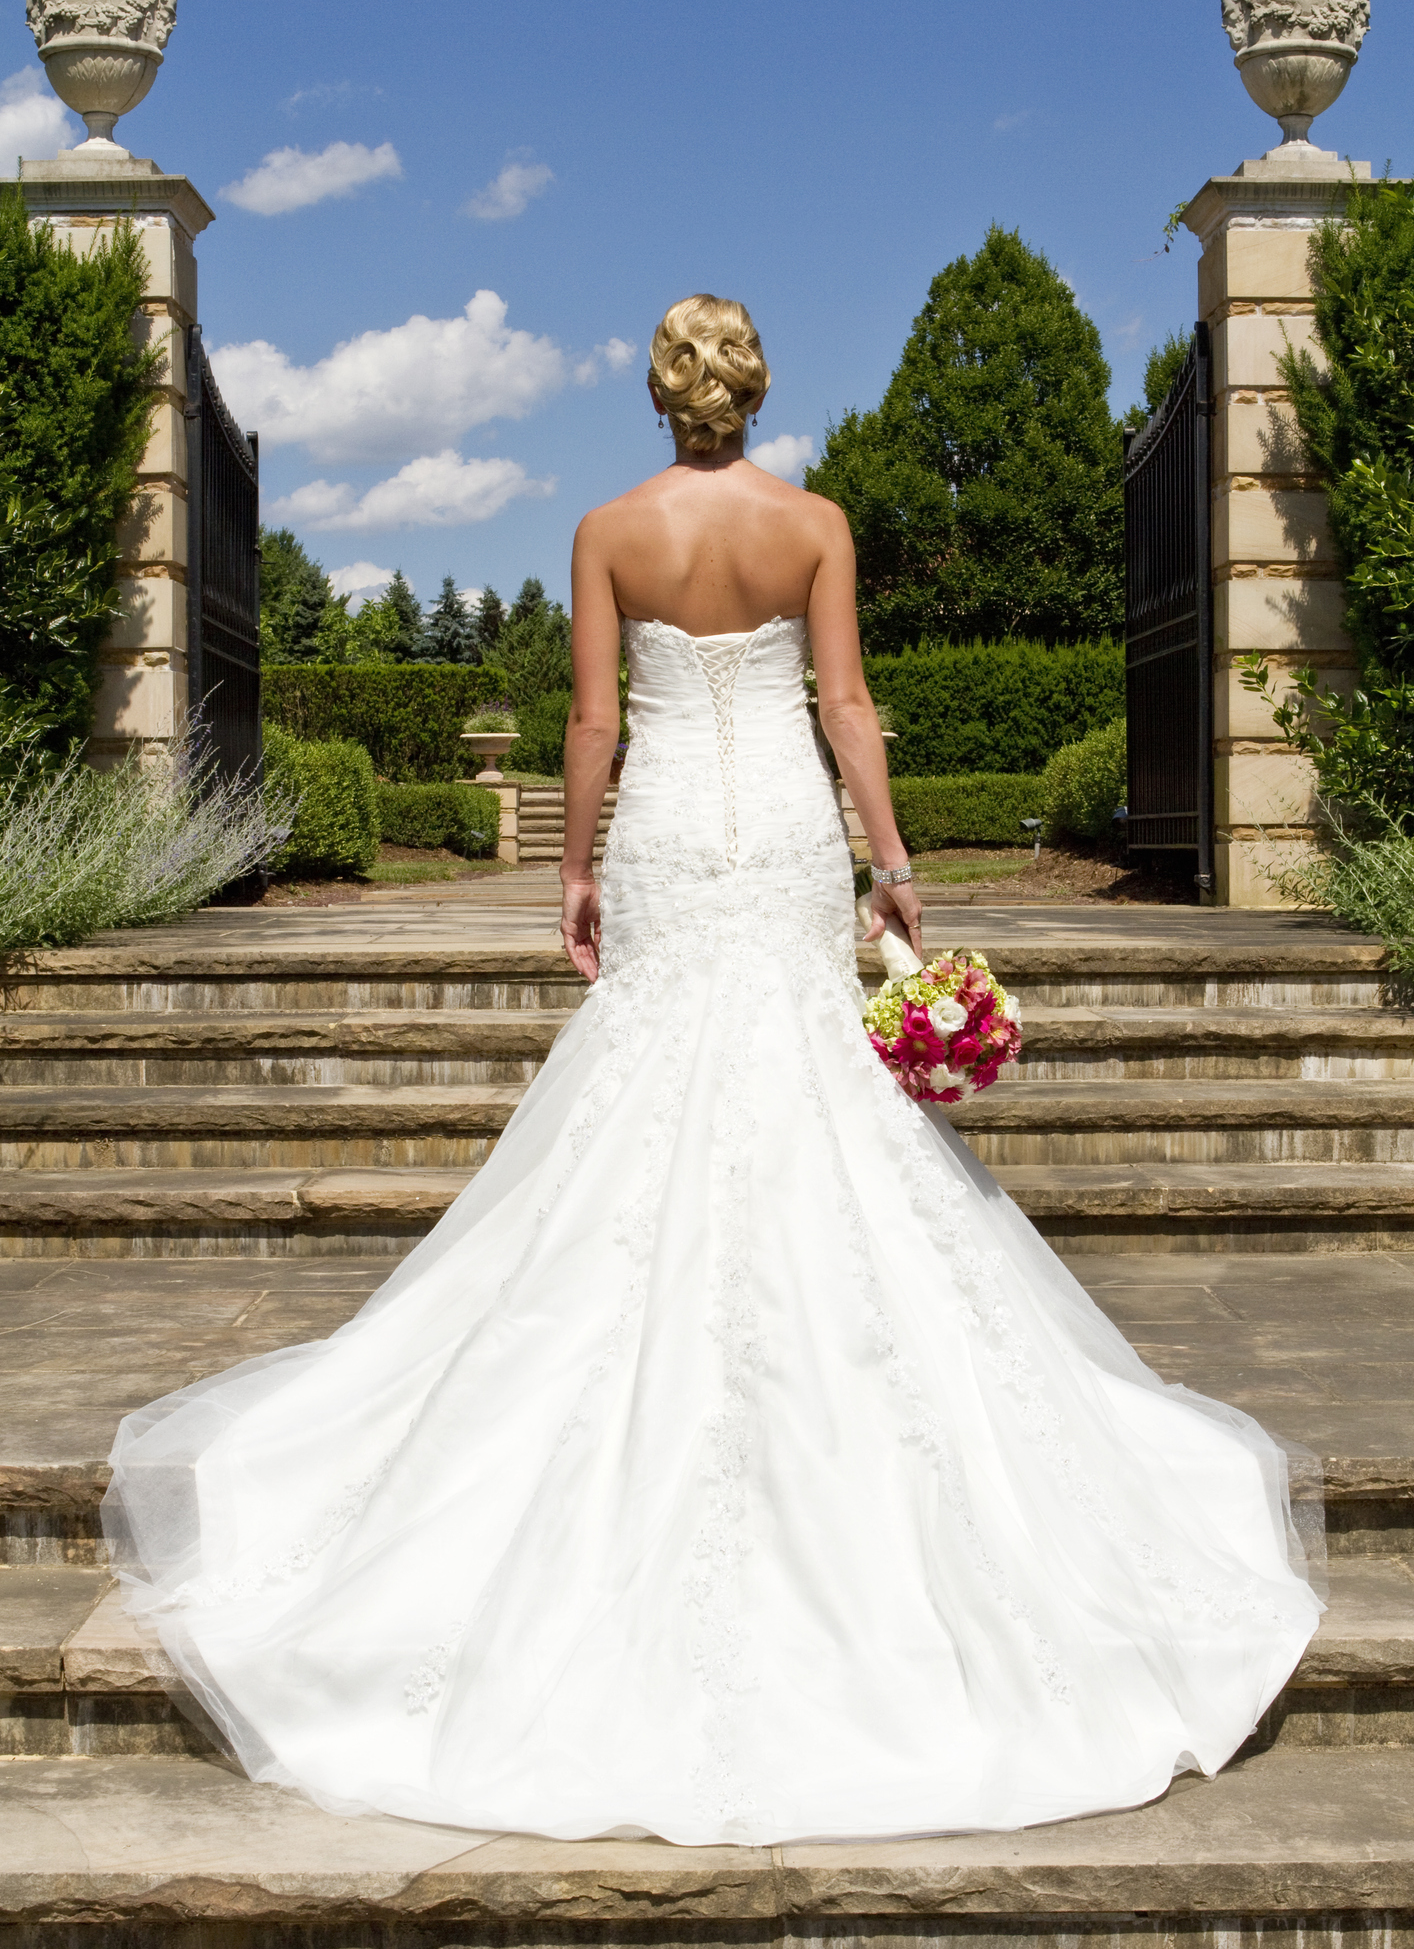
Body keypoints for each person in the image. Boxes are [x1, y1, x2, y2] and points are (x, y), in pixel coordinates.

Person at [105, 294, 1321, 1846]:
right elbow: (847, 705)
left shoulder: (608, 529)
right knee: (813, 1094)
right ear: (752, 388)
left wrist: (578, 869)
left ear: (657, 392)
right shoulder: (812, 524)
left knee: (646, 1092)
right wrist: (889, 864)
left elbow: (596, 717)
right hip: (786, 843)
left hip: (674, 836)